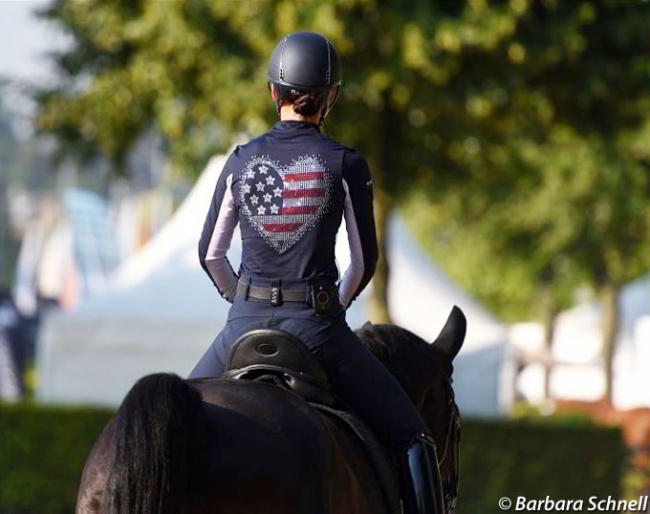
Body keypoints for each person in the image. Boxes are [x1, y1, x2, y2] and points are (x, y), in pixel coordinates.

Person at [190, 31, 444, 514]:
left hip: (241, 325)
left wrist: (244, 298)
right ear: (331, 99)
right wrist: (331, 303)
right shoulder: (344, 163)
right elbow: (364, 263)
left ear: (273, 93)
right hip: (317, 331)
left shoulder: (241, 161)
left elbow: (210, 255)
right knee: (413, 434)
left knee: (174, 425)